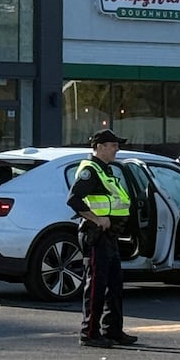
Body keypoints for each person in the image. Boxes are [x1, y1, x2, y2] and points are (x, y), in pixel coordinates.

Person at [66, 129, 139, 348]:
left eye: (116, 145)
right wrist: (97, 219)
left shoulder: (105, 170)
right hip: (96, 235)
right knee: (96, 285)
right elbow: (73, 200)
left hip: (110, 235)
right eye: (112, 145)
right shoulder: (90, 170)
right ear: (99, 147)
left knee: (114, 285)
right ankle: (89, 333)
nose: (116, 148)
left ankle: (113, 330)